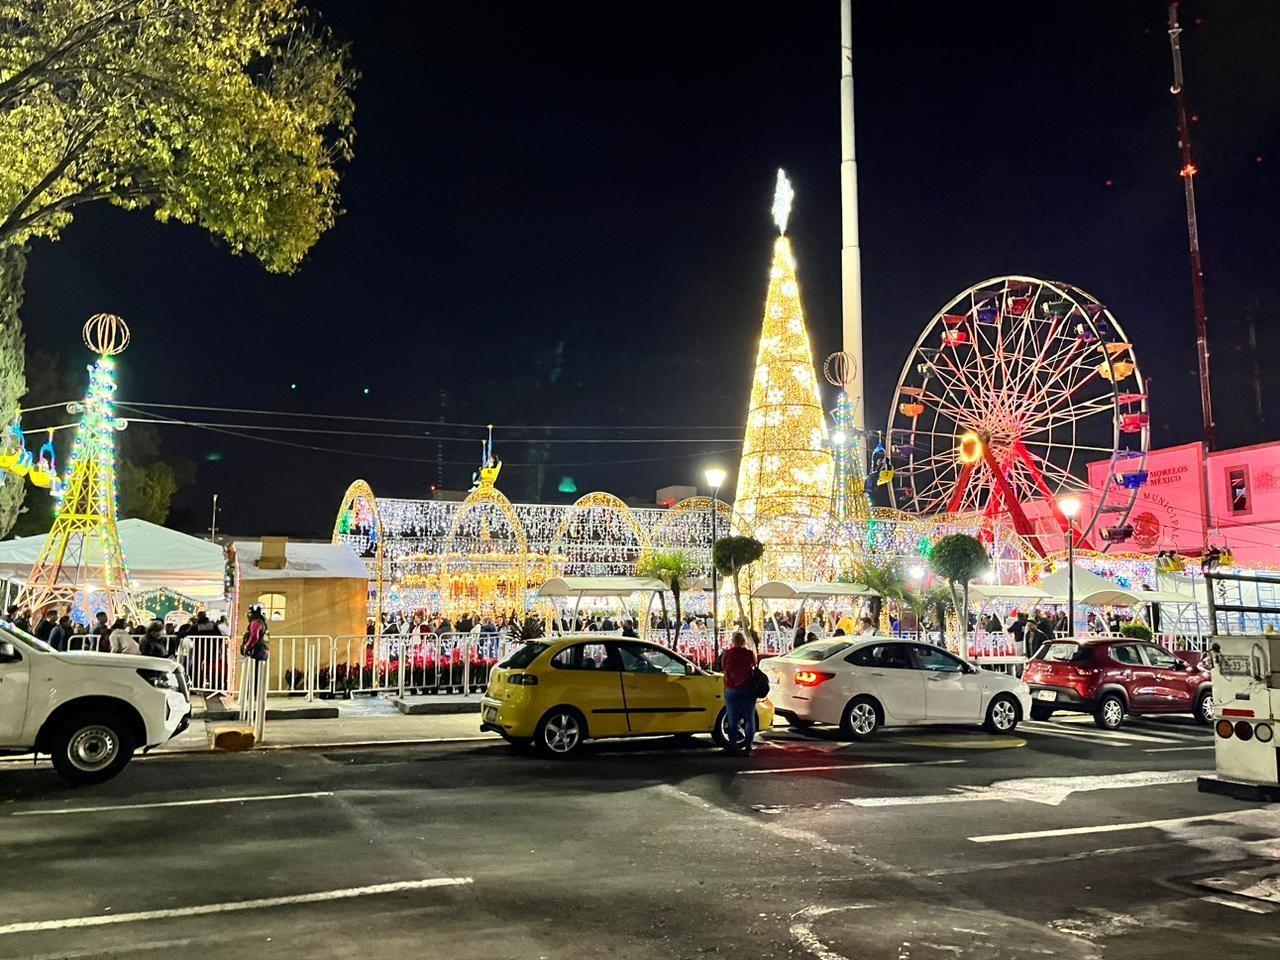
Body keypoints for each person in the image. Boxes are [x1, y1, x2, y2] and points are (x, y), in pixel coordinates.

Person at [720, 631, 757, 756]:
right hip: (747, 689)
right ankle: (748, 747)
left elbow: (724, 668)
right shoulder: (749, 654)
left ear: (733, 641)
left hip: (731, 689)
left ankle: (733, 745)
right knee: (749, 719)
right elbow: (754, 666)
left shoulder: (728, 654)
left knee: (732, 718)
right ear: (743, 641)